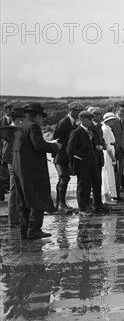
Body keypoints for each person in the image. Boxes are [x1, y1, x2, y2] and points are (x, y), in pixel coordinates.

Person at [12, 103, 62, 239]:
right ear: (37, 116)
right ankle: (34, 229)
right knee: (38, 196)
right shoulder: (33, 126)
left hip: (19, 169)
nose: (42, 121)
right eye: (41, 117)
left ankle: (24, 229)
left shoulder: (19, 126)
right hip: (32, 169)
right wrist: (55, 147)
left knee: (23, 200)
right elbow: (38, 145)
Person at [67, 110, 110, 214]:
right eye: (88, 119)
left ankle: (97, 205)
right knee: (83, 185)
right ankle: (83, 208)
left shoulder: (91, 131)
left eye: (91, 119)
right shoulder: (76, 132)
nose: (91, 121)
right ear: (81, 120)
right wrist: (82, 156)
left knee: (97, 183)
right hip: (82, 164)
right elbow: (70, 150)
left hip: (93, 162)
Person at [51, 102, 84, 212]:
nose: (79, 114)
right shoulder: (64, 122)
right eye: (78, 112)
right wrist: (55, 154)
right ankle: (61, 204)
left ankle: (58, 204)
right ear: (72, 111)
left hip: (66, 157)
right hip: (60, 157)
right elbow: (55, 139)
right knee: (64, 178)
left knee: (63, 178)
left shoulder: (73, 123)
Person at [0, 106, 25, 227]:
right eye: (22, 118)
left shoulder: (14, 130)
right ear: (18, 119)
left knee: (17, 192)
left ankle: (16, 219)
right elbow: (5, 154)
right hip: (14, 165)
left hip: (16, 164)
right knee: (14, 192)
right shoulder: (10, 131)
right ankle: (14, 221)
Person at [107, 104, 124, 201]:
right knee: (112, 172)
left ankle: (118, 194)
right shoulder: (112, 121)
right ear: (117, 111)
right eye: (122, 111)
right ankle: (112, 194)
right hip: (113, 150)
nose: (123, 113)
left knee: (120, 172)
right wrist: (114, 146)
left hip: (123, 150)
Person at [100, 113, 118, 204]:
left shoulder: (108, 128)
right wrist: (113, 158)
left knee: (109, 174)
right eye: (111, 120)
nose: (113, 121)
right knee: (107, 174)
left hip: (110, 151)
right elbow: (107, 145)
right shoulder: (105, 129)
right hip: (108, 153)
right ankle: (107, 197)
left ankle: (110, 196)